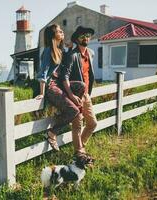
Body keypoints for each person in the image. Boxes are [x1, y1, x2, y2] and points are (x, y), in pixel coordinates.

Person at [36, 24, 85, 152]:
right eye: (59, 31)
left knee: (81, 85)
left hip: (59, 85)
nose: (62, 32)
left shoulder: (60, 50)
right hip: (51, 87)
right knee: (74, 111)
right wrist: (42, 93)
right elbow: (43, 73)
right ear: (53, 35)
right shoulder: (48, 50)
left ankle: (65, 113)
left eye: (62, 30)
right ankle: (52, 133)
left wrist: (68, 49)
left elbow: (64, 67)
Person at [63, 26, 98, 164]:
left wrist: (88, 94)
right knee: (77, 125)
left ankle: (79, 149)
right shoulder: (72, 55)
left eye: (88, 35)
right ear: (77, 39)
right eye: (83, 36)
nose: (86, 38)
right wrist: (71, 95)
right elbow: (64, 77)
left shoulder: (90, 54)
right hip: (75, 95)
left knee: (92, 123)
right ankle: (79, 154)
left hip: (86, 96)